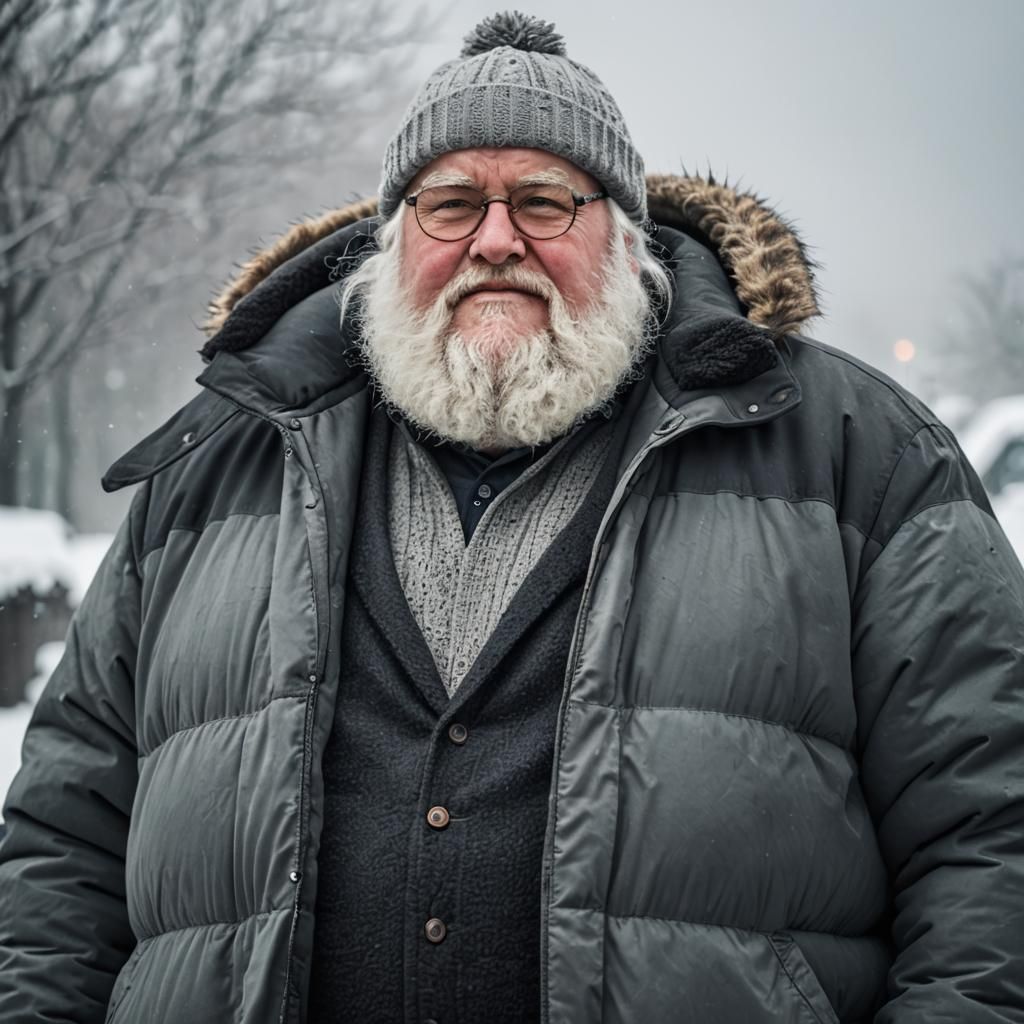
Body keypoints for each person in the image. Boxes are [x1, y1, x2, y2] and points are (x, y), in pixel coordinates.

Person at [1, 10, 1022, 1023]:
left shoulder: (857, 454)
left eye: (544, 200)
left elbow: (989, 835)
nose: (495, 241)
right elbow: (62, 840)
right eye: (451, 204)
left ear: (627, 239)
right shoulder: (220, 460)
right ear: (391, 243)